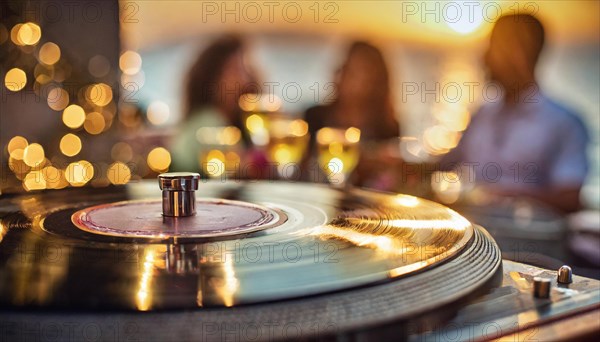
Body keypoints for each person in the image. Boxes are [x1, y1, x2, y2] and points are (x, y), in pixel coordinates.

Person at [442, 14, 589, 213]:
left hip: (530, 238)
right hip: (477, 232)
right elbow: (447, 162)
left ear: (520, 53)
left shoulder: (564, 123)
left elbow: (570, 198)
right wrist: (406, 165)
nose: (485, 57)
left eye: (495, 47)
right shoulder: (483, 113)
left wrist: (502, 196)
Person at [304, 41, 401, 188]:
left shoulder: (387, 128)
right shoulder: (314, 117)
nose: (357, 84)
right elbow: (301, 170)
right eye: (352, 72)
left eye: (365, 75)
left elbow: (388, 182)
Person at [170, 36, 258, 173]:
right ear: (212, 78)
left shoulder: (228, 122)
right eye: (236, 70)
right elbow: (235, 170)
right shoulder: (208, 123)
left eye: (245, 69)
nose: (244, 79)